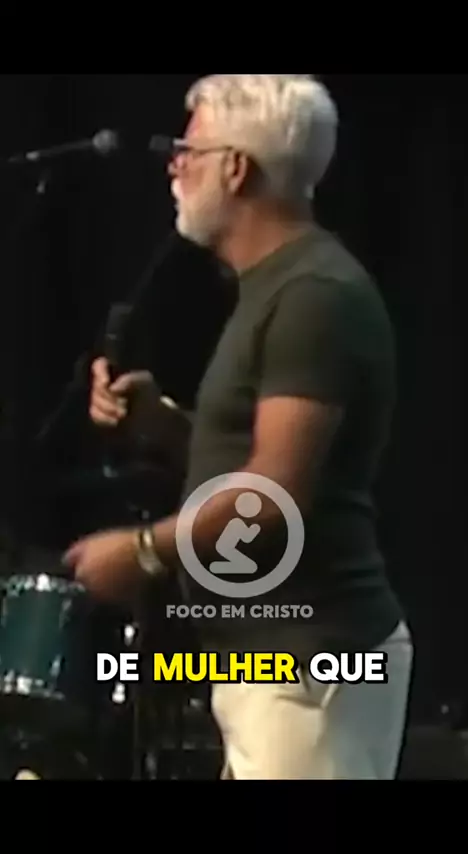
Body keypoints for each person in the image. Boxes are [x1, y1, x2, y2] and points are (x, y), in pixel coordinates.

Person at [64, 74, 413, 780]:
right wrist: (165, 427)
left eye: (187, 149)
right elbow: (265, 464)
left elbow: (273, 497)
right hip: (275, 664)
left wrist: (143, 552)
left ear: (235, 168)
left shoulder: (314, 296)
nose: (173, 166)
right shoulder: (276, 287)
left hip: (312, 663)